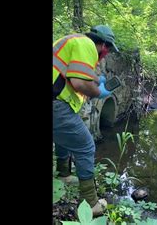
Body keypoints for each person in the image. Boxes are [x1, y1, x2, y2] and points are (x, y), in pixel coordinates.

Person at [52, 25, 119, 216]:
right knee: (86, 146)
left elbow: (80, 74)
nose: (105, 55)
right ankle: (91, 203)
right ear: (103, 44)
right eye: (108, 50)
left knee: (64, 138)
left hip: (56, 102)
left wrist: (98, 80)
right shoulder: (87, 44)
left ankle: (63, 174)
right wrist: (100, 92)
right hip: (56, 103)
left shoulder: (73, 41)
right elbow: (79, 82)